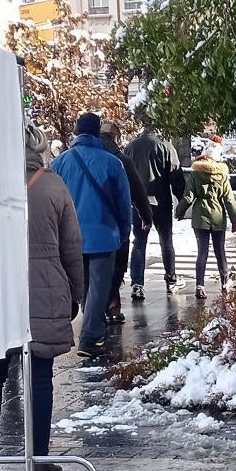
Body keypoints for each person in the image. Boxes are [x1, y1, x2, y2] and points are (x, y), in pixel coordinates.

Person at [0, 122, 85, 471]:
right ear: (39, 148)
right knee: (39, 374)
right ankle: (38, 460)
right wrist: (77, 292)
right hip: (44, 289)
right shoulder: (53, 185)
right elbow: (72, 247)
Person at [52, 112, 132, 361]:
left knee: (84, 286)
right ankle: (90, 336)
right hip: (103, 235)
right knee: (100, 287)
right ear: (97, 132)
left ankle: (91, 328)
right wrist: (124, 232)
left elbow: (53, 202)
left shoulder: (59, 164)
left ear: (76, 132)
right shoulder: (111, 163)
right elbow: (123, 202)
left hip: (70, 236)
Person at [100, 122, 153, 324]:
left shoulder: (73, 158)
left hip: (82, 224)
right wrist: (146, 217)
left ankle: (95, 308)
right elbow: (137, 192)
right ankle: (110, 307)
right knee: (116, 267)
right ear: (115, 138)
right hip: (115, 224)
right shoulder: (121, 160)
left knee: (91, 268)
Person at [176, 136, 236, 300]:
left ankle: (200, 285)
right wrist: (234, 219)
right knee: (220, 251)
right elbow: (228, 199)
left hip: (200, 219)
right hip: (218, 218)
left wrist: (180, 211)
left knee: (202, 252)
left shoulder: (196, 174)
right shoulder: (222, 175)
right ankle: (225, 281)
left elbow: (188, 197)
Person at [126, 120, 182, 301]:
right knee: (166, 241)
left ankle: (137, 284)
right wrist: (182, 201)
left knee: (139, 242)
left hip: (137, 203)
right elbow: (176, 175)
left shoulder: (130, 147)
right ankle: (171, 279)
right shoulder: (166, 146)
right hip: (162, 202)